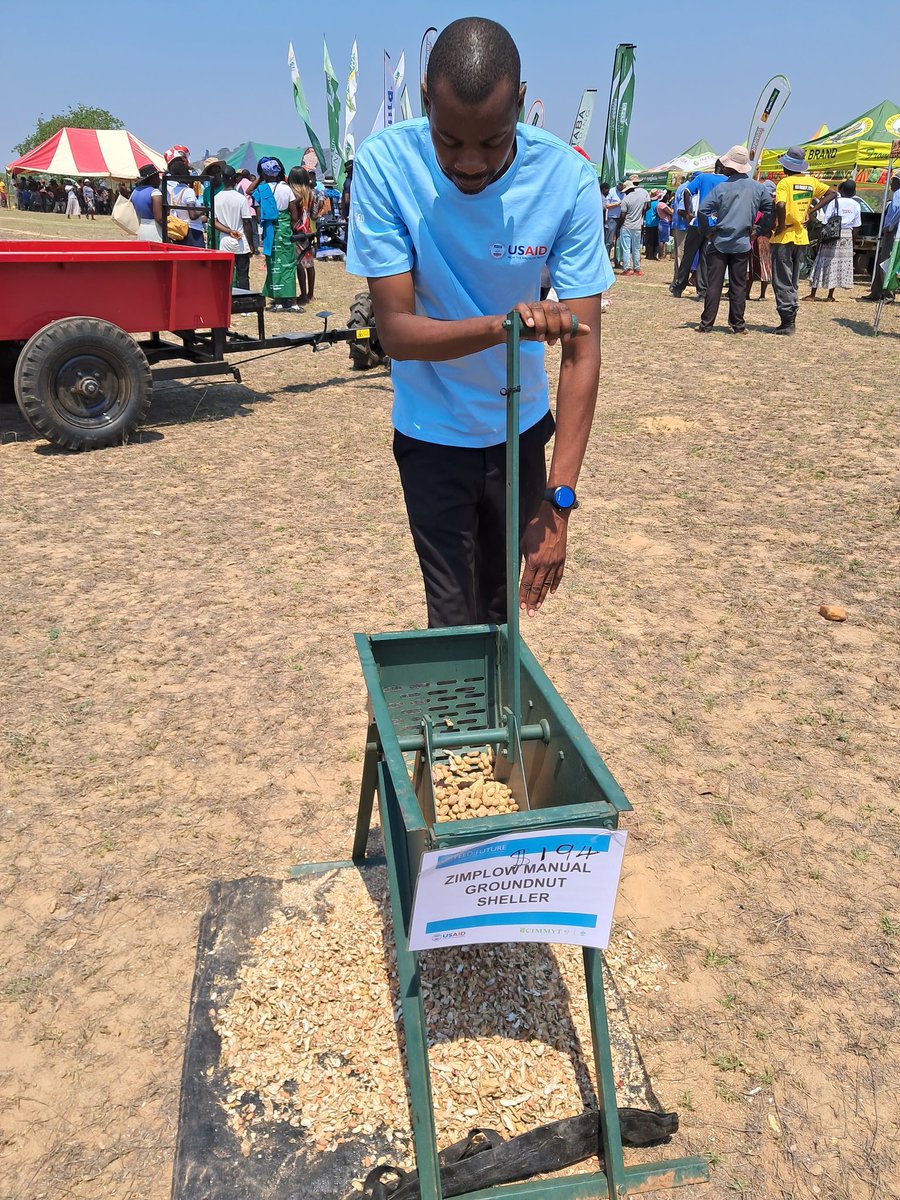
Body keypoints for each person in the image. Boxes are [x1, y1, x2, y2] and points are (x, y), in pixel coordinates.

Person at [346, 16, 611, 628]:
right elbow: (397, 334)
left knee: (501, 612)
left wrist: (559, 502)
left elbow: (582, 350)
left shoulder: (565, 179)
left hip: (520, 429)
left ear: (521, 103)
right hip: (430, 430)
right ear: (425, 102)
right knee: (451, 614)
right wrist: (504, 327)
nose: (469, 163)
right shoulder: (386, 164)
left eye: (493, 142)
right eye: (448, 141)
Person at [695, 145, 773, 334]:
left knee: (714, 284)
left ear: (730, 166)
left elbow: (702, 211)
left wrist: (707, 232)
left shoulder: (721, 188)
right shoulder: (758, 188)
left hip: (719, 241)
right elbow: (770, 210)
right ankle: (738, 325)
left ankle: (706, 324)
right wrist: (759, 230)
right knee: (738, 285)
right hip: (742, 243)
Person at [768, 146, 837, 335]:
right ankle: (790, 319)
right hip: (801, 236)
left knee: (782, 279)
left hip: (785, 236)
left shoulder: (784, 183)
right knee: (793, 280)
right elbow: (832, 193)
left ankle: (787, 322)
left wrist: (781, 225)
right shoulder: (811, 182)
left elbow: (780, 204)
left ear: (786, 166)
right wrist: (810, 211)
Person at [670, 160, 728, 298]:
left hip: (697, 222)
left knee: (688, 256)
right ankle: (702, 291)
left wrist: (688, 212)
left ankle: (678, 287)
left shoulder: (702, 177)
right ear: (723, 167)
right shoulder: (727, 181)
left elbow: (687, 191)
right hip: (714, 224)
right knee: (705, 258)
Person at [249, 157, 300, 311]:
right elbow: (294, 213)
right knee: (288, 265)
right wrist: (291, 225)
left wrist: (260, 178)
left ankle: (277, 302)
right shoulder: (286, 188)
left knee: (274, 265)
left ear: (264, 173)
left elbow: (249, 192)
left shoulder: (262, 189)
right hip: (284, 229)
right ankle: (293, 303)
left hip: (269, 231)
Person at [804, 179, 861, 302]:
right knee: (837, 265)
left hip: (832, 234)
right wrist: (852, 244)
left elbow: (825, 222)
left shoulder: (834, 202)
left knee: (822, 262)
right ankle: (830, 296)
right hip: (847, 236)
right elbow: (856, 226)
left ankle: (813, 294)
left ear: (841, 190)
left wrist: (820, 240)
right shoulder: (856, 205)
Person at [860, 174, 900, 303]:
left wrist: (889, 227)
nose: (891, 184)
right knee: (881, 261)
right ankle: (876, 292)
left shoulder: (898, 194)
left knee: (887, 261)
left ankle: (888, 294)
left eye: (893, 181)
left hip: (892, 232)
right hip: (890, 232)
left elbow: (897, 212)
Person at [213, 166, 254, 289]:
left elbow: (214, 222)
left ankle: (226, 298)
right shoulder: (241, 198)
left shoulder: (216, 198)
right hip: (240, 241)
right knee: (243, 275)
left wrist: (229, 231)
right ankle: (245, 299)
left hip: (225, 242)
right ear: (235, 179)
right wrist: (251, 244)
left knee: (226, 275)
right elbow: (246, 222)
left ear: (222, 179)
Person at [164, 147, 207, 248]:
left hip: (180, 232)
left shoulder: (173, 191)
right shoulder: (188, 192)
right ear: (186, 174)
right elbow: (192, 215)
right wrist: (204, 209)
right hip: (194, 233)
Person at [287, 164, 314, 304]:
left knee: (299, 263)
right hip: (308, 230)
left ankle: (303, 294)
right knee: (309, 262)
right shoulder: (310, 193)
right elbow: (313, 213)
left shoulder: (292, 193)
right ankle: (310, 293)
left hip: (297, 231)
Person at [748, 179, 776, 301]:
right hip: (761, 238)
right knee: (756, 265)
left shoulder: (766, 206)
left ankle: (759, 294)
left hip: (761, 238)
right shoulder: (766, 205)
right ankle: (758, 294)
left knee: (761, 265)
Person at [618, 178, 649, 276]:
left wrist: (618, 227)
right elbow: (646, 207)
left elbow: (623, 215)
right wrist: (640, 217)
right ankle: (637, 269)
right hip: (637, 226)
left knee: (626, 248)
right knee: (636, 248)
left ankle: (627, 269)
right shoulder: (641, 197)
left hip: (627, 225)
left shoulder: (625, 199)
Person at [131, 163, 164, 241]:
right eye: (157, 177)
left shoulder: (135, 191)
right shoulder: (155, 192)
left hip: (142, 228)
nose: (159, 180)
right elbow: (159, 218)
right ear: (151, 179)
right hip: (155, 230)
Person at [656, 191, 673, 260]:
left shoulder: (659, 204)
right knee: (662, 240)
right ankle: (661, 255)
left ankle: (662, 254)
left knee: (662, 239)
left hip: (662, 221)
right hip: (664, 222)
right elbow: (670, 212)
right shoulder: (662, 205)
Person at [643, 190, 660, 261]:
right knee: (654, 240)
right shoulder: (657, 204)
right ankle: (652, 255)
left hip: (647, 223)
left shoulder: (647, 203)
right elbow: (658, 213)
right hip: (654, 223)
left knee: (648, 240)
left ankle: (648, 254)